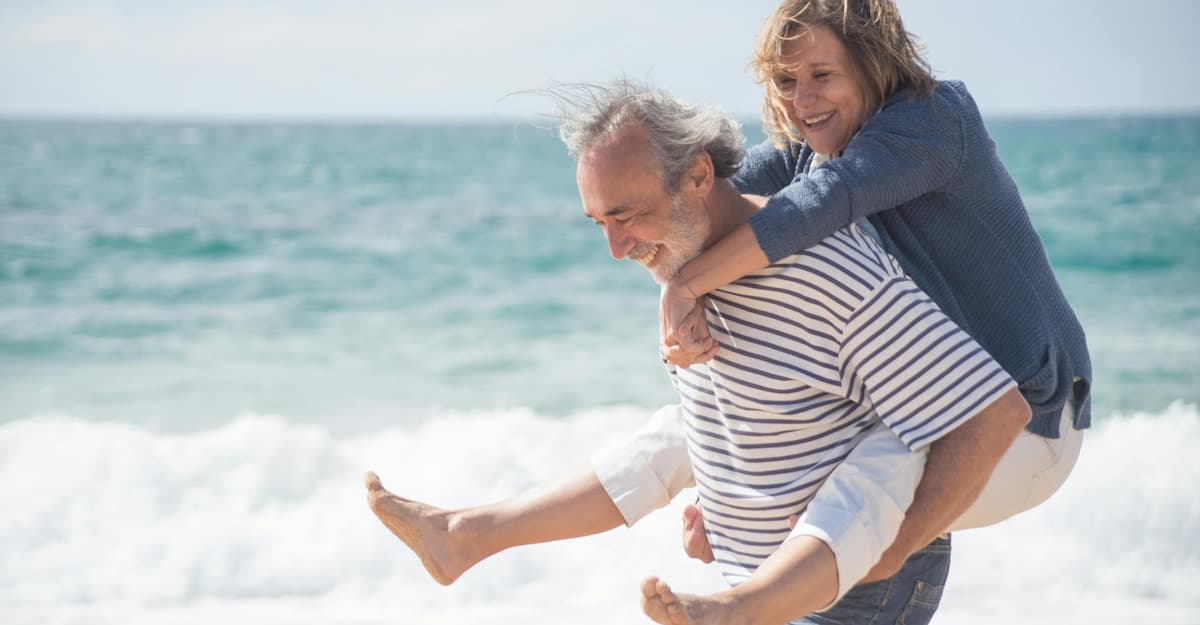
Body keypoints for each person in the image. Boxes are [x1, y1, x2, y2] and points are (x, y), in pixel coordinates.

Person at [366, 81, 1034, 625]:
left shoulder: (824, 266)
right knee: (669, 434)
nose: (616, 248)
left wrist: (899, 545)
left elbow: (995, 411)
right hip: (751, 584)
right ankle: (471, 532)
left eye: (627, 214)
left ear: (698, 176)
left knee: (889, 451)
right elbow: (754, 424)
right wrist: (725, 514)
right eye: (601, 222)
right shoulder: (683, 272)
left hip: (859, 588)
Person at [660, 0, 1089, 576]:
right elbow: (714, 205)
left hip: (1028, 426)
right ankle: (499, 527)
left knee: (841, 473)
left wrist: (685, 284)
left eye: (822, 76)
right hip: (937, 412)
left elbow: (826, 199)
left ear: (871, 64)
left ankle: (854, 564)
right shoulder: (810, 150)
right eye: (786, 81)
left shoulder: (936, 117)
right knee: (673, 433)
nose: (802, 99)